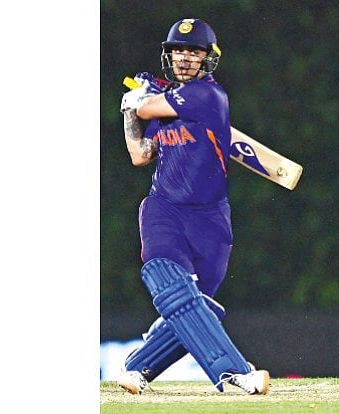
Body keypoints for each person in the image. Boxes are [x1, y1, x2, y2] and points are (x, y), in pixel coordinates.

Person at [116, 18, 269, 395]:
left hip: (211, 222)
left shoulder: (209, 96)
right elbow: (140, 154)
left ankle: (136, 368)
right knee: (167, 280)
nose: (184, 58)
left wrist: (142, 101)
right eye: (177, 51)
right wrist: (130, 112)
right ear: (169, 57)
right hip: (165, 209)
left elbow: (149, 109)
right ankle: (236, 372)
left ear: (207, 58)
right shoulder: (165, 106)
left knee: (196, 308)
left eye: (193, 52)